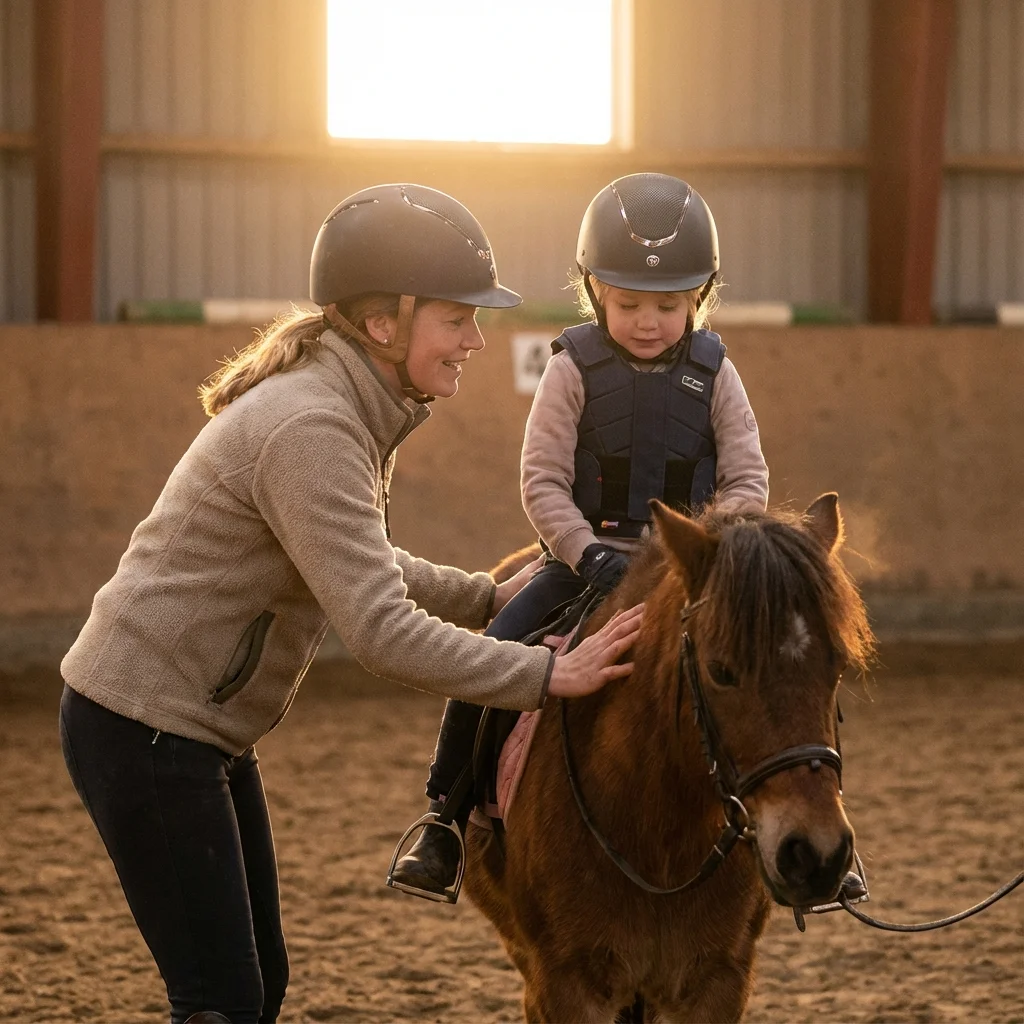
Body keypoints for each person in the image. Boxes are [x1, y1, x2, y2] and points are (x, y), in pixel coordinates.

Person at [58, 183, 644, 1024]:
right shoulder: (314, 429)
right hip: (146, 730)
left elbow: (355, 563)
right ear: (383, 323)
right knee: (222, 1001)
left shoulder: (353, 408)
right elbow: (379, 630)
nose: (475, 341)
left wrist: (483, 595)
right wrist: (546, 675)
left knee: (258, 987)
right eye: (457, 319)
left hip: (191, 730)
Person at [390, 172, 771, 899]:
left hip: (693, 571)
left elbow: (748, 478)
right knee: (495, 650)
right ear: (594, 289)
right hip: (583, 564)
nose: (650, 321)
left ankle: (821, 832)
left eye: (669, 304)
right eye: (629, 304)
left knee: (784, 662)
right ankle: (445, 816)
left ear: (701, 295)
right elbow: (541, 483)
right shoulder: (571, 370)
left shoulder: (718, 374)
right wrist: (587, 553)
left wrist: (725, 552)